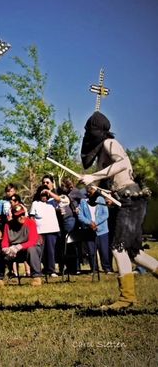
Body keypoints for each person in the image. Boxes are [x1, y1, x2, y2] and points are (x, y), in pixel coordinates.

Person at [79, 111, 158, 309]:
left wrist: (93, 176)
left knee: (118, 247)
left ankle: (127, 298)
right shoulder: (101, 153)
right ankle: (128, 296)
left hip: (131, 199)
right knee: (135, 253)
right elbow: (105, 181)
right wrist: (91, 185)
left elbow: (122, 163)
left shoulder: (109, 143)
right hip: (125, 200)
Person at [0, 204, 42, 287]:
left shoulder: (30, 223)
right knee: (0, 251)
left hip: (28, 250)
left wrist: (19, 247)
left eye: (22, 214)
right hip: (13, 252)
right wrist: (6, 249)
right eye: (18, 215)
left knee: (32, 249)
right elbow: (5, 241)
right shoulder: (8, 225)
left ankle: (36, 277)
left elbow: (33, 241)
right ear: (14, 216)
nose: (21, 217)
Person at [77, 185, 112, 274]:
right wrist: (89, 223)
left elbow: (105, 214)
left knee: (104, 250)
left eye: (91, 192)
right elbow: (80, 215)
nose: (89, 193)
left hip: (102, 230)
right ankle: (94, 269)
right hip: (89, 230)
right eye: (88, 192)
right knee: (91, 251)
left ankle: (107, 268)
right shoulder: (83, 201)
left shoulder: (100, 199)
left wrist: (95, 223)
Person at [30, 185, 60, 277]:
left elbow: (59, 199)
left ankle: (51, 270)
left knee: (51, 251)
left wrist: (49, 191)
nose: (44, 196)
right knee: (42, 253)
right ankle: (42, 269)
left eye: (45, 194)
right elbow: (32, 217)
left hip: (52, 230)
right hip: (40, 231)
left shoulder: (52, 202)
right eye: (42, 194)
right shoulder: (35, 203)